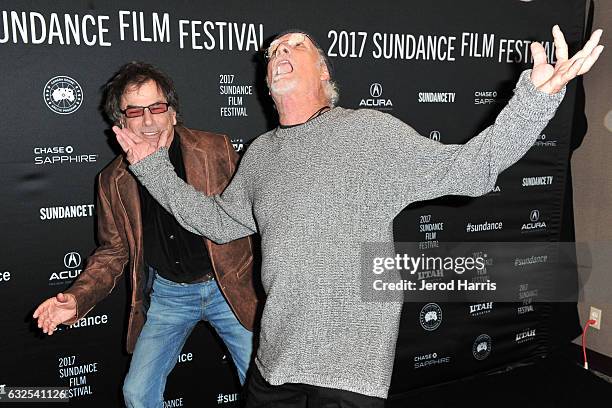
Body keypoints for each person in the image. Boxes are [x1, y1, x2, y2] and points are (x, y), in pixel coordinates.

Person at [115, 26, 603, 407]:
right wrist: (152, 169)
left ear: (323, 72)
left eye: (295, 45)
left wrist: (534, 101)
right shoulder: (261, 154)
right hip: (277, 359)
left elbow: (469, 171)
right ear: (266, 81)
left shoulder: (369, 132)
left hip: (350, 368)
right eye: (273, 51)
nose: (279, 51)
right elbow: (220, 222)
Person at [33, 62, 259, 408]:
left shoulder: (215, 149)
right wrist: (77, 298)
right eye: (136, 111)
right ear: (121, 122)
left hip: (226, 286)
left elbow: (246, 216)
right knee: (137, 393)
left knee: (262, 383)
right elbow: (112, 253)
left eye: (157, 107)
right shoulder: (112, 181)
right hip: (168, 297)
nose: (149, 121)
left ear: (173, 113)